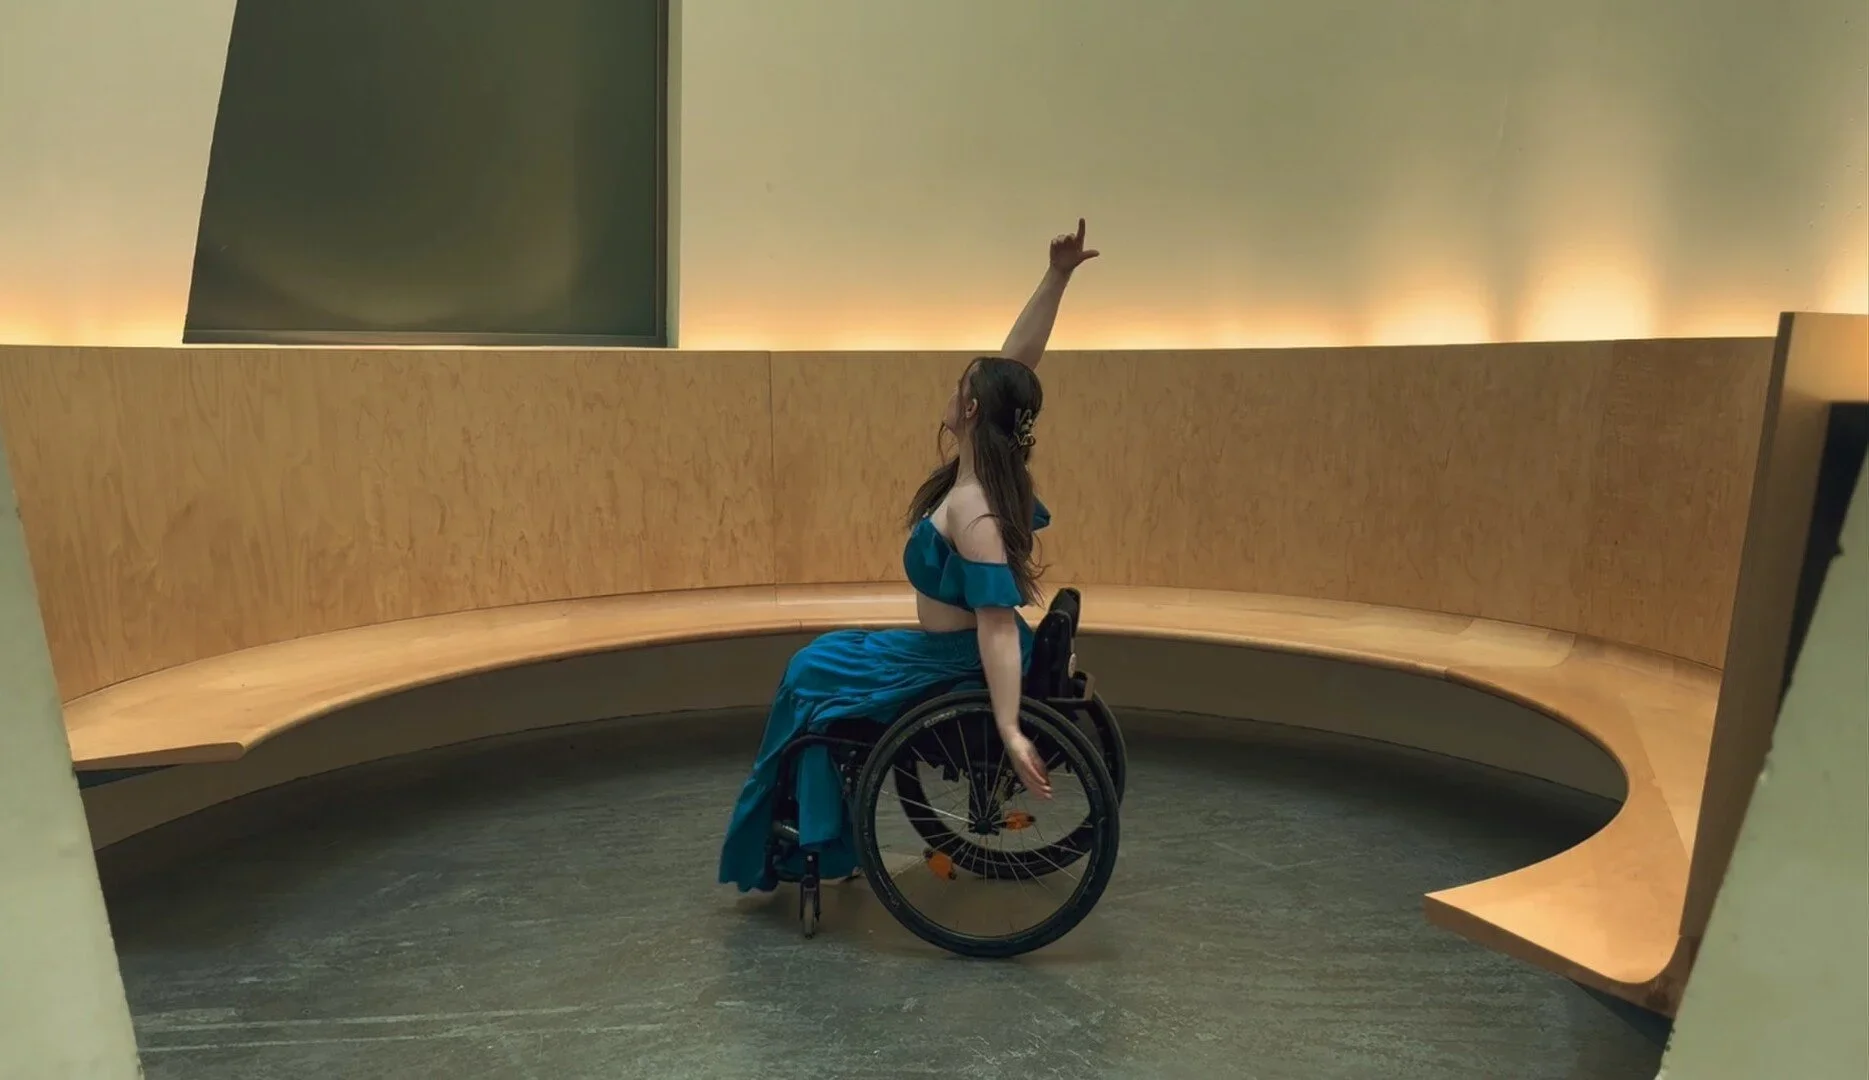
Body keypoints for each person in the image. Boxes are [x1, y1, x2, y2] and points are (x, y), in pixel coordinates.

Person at [718, 219, 1102, 893]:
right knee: (811, 664)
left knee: (809, 676)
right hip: (942, 650)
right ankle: (807, 828)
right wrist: (1057, 276)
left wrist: (1010, 727)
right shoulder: (983, 471)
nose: (949, 393)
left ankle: (813, 839)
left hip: (951, 662)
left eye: (960, 386)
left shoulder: (976, 508)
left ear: (972, 407)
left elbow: (992, 624)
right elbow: (1016, 362)